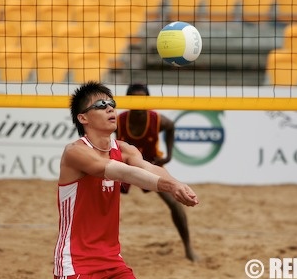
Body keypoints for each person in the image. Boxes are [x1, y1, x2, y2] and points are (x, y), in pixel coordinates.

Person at [53, 81, 199, 279]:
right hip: (77, 263)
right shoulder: (75, 152)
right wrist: (171, 186)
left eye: (111, 103)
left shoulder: (124, 149)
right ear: (83, 118)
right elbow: (122, 172)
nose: (110, 108)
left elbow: (150, 168)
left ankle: (188, 246)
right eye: (101, 105)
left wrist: (178, 184)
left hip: (113, 261)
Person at [116, 83, 198, 261]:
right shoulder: (118, 120)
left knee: (175, 203)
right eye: (134, 100)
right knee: (101, 202)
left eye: (142, 99)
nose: (138, 104)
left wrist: (168, 156)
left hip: (150, 165)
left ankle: (188, 248)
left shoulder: (157, 119)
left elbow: (171, 127)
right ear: (128, 101)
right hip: (124, 166)